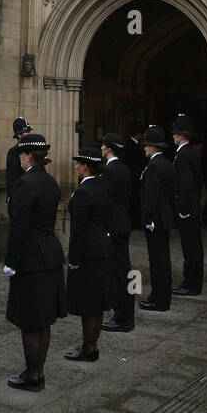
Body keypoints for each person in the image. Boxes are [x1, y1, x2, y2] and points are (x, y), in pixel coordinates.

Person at [3, 132, 66, 390]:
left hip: (30, 258)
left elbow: (19, 227)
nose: (18, 158)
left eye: (21, 154)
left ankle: (32, 376)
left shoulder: (24, 185)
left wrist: (10, 261)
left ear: (29, 155)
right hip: (50, 255)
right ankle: (38, 371)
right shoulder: (51, 182)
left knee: (30, 319)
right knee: (44, 319)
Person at [64, 148, 117, 362]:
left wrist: (74, 259)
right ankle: (91, 346)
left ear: (85, 166)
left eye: (78, 163)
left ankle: (88, 348)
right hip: (102, 248)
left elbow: (79, 230)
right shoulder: (101, 188)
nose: (76, 166)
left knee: (88, 303)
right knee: (97, 302)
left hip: (88, 253)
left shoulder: (84, 192)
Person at [100, 132, 135, 334]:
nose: (102, 149)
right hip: (122, 223)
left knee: (120, 273)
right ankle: (123, 315)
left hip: (114, 226)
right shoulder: (123, 169)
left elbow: (106, 200)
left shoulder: (111, 171)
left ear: (109, 148)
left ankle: (123, 317)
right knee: (124, 270)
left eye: (104, 146)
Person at [139, 125, 177, 312]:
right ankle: (162, 297)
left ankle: (158, 299)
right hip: (165, 218)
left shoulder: (154, 166)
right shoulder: (167, 164)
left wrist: (148, 219)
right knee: (163, 259)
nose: (144, 148)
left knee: (157, 261)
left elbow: (151, 197)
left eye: (146, 145)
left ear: (153, 147)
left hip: (156, 220)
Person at [172, 114, 204, 297]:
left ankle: (192, 283)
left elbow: (187, 184)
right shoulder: (187, 152)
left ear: (182, 135)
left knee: (191, 247)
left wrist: (183, 208)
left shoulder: (184, 154)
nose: (173, 136)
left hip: (188, 209)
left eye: (176, 133)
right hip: (191, 207)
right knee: (192, 246)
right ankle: (191, 280)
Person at [4, 117, 32, 202]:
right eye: (26, 132)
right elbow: (11, 176)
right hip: (19, 193)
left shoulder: (32, 149)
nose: (29, 134)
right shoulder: (13, 152)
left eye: (29, 131)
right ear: (19, 135)